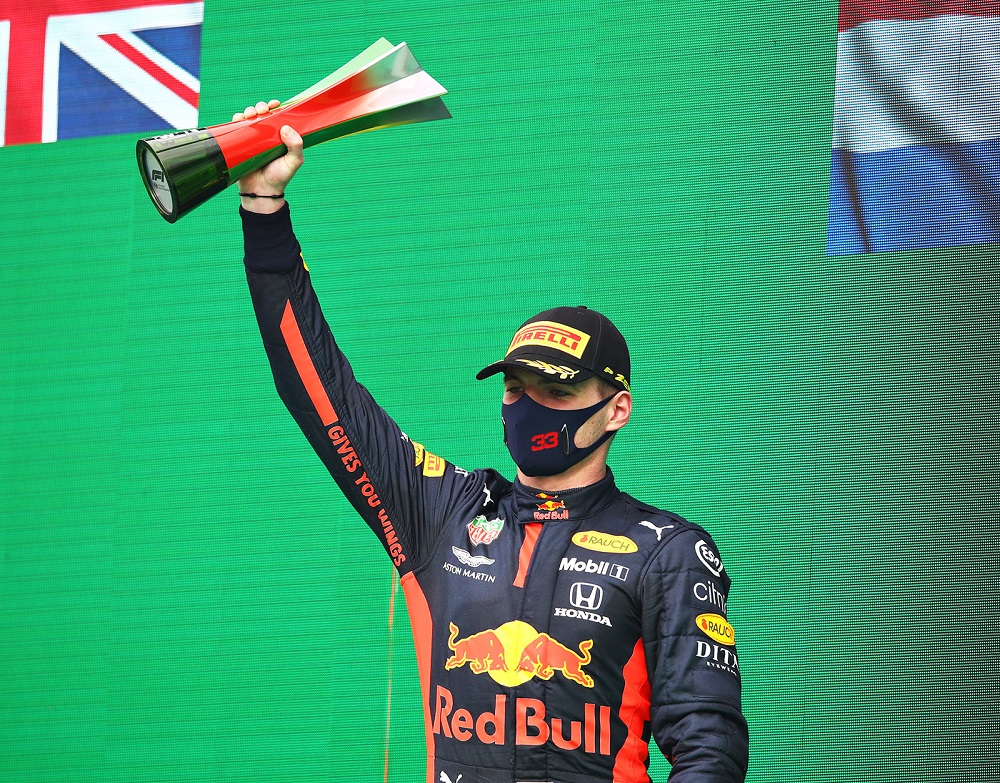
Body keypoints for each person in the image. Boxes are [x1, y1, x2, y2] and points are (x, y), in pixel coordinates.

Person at [234, 101, 749, 783]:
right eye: (514, 388)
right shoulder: (442, 510)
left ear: (616, 408)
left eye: (556, 391)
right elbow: (318, 389)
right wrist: (263, 208)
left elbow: (709, 751)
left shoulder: (670, 550)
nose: (529, 404)